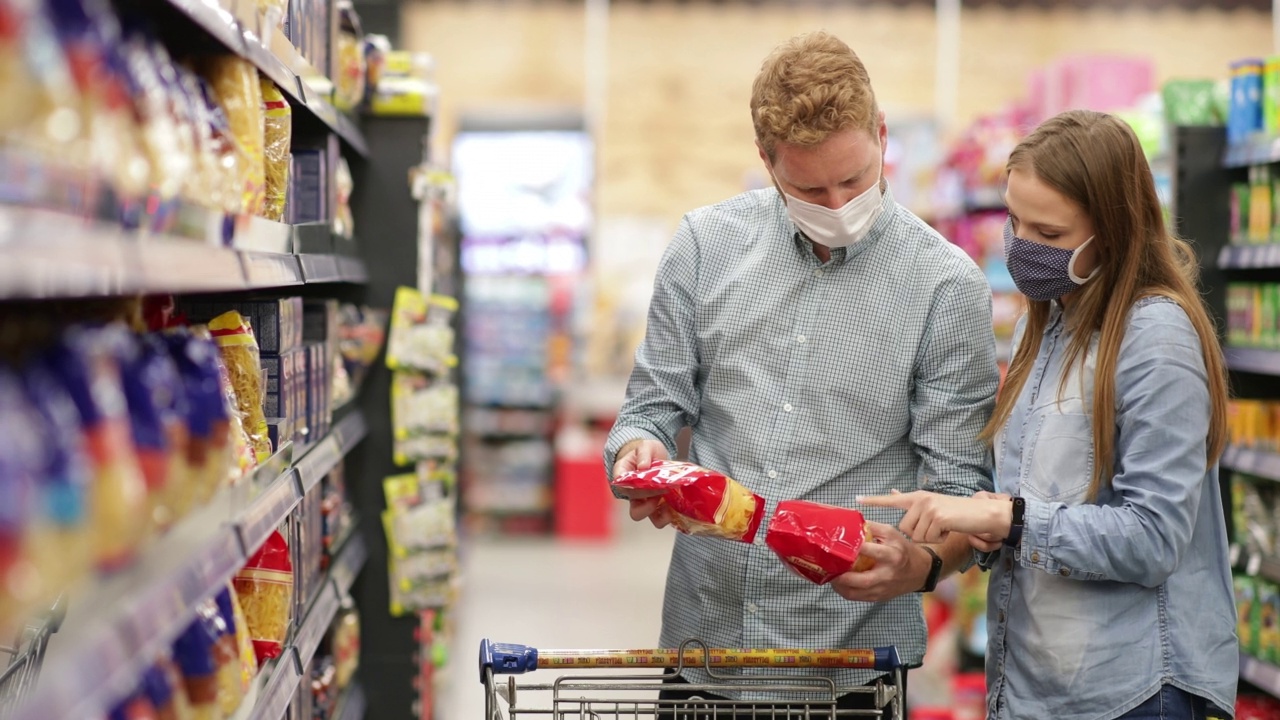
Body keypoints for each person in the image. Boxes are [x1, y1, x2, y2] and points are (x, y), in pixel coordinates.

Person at [603, 31, 1000, 718]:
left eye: (855, 178)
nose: (840, 203)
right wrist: (640, 450)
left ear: (881, 136)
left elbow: (962, 487)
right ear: (766, 161)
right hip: (706, 652)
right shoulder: (704, 247)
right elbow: (652, 406)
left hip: (851, 668)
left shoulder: (946, 286)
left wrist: (924, 563)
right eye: (811, 188)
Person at [861, 109, 1238, 720]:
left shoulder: (1156, 339)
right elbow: (1037, 505)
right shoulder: (1053, 322)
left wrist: (1007, 517)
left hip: (1134, 691)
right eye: (1014, 221)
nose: (1023, 246)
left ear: (1112, 233)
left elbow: (1153, 538)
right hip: (1043, 688)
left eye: (1051, 234)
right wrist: (929, 557)